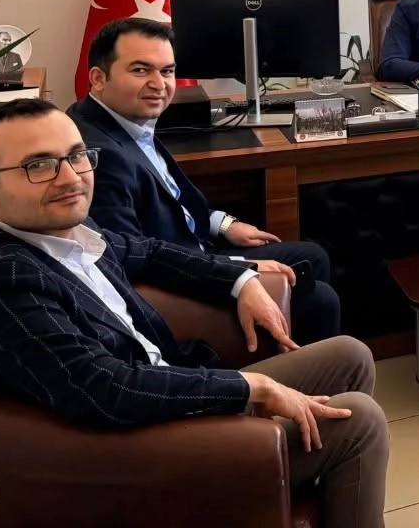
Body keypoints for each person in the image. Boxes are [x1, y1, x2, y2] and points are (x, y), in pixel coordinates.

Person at [0, 98, 389, 528]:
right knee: (359, 421)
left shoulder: (63, 228)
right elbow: (103, 388)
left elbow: (150, 252)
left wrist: (240, 278)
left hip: (166, 389)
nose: (70, 178)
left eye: (76, 156)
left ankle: (297, 489)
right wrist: (252, 388)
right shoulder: (2, 281)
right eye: (39, 165)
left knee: (349, 355)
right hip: (139, 446)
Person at [68, 18, 341, 345]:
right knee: (320, 300)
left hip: (193, 248)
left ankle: (304, 361)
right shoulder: (99, 157)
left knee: (313, 257)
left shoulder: (122, 120)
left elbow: (173, 200)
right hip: (176, 281)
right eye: (141, 70)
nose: (159, 84)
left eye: (167, 71)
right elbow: (131, 257)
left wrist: (223, 224)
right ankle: (304, 369)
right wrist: (236, 269)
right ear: (98, 78)